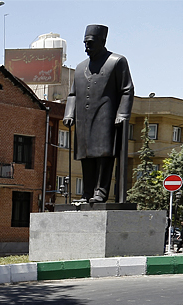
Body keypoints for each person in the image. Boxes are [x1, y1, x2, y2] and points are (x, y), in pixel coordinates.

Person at [62, 24, 134, 204]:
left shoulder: (117, 61)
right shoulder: (79, 68)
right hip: (83, 120)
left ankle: (100, 193)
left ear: (103, 41)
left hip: (106, 117)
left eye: (91, 42)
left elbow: (127, 89)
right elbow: (72, 94)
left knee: (103, 155)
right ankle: (86, 194)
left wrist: (122, 114)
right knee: (86, 156)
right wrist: (69, 113)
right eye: (85, 43)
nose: (87, 46)